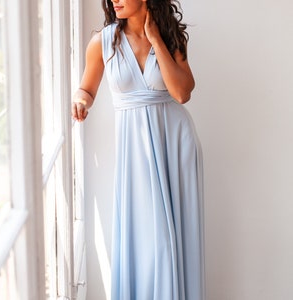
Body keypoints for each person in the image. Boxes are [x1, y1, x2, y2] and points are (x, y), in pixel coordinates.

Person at [72, 0, 205, 299]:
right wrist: (81, 100)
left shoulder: (170, 38)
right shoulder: (102, 42)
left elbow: (182, 93)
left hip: (174, 145)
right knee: (148, 240)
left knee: (172, 240)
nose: (114, 0)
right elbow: (87, 88)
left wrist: (156, 38)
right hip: (134, 152)